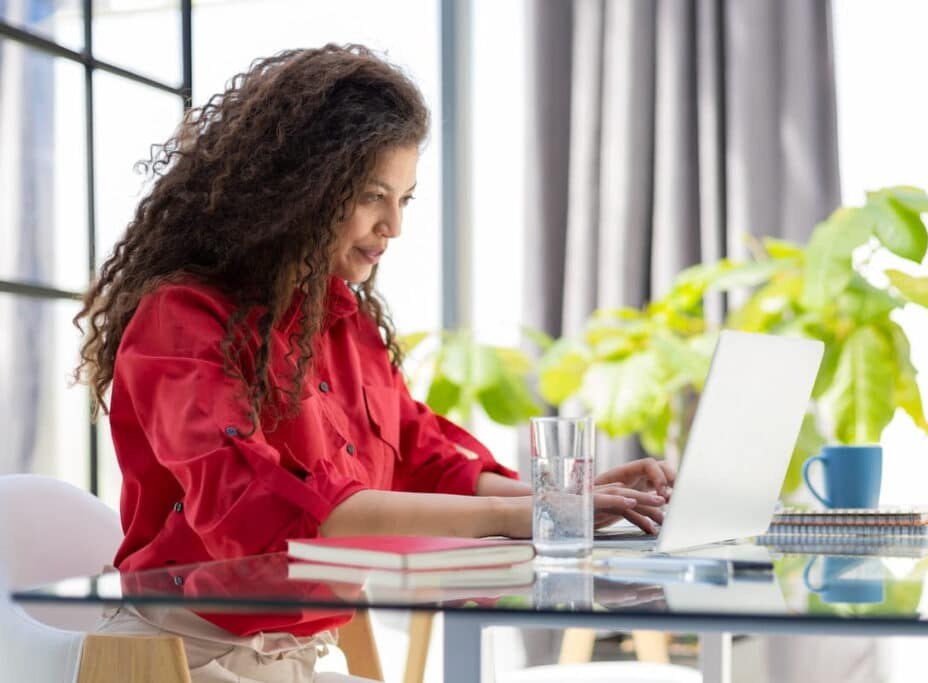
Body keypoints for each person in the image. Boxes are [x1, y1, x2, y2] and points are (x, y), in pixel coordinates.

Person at [73, 44, 674, 683]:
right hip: (173, 657)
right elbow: (259, 518)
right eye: (371, 196)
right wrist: (524, 514)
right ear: (298, 188)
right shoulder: (181, 319)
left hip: (297, 658)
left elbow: (426, 457)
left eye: (406, 200)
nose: (393, 226)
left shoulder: (343, 321)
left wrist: (568, 500)